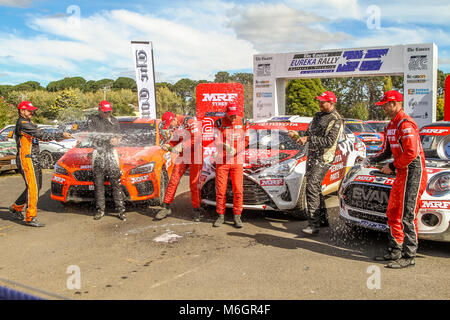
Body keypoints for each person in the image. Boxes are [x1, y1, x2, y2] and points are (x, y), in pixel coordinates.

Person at [368, 90, 427, 269]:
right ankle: (396, 250)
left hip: (413, 172)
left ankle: (409, 256)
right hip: (402, 172)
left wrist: (392, 166)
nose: (384, 107)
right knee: (393, 212)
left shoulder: (405, 123)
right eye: (383, 105)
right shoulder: (391, 125)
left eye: (386, 104)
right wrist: (371, 159)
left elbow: (411, 152)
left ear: (395, 103)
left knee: (407, 214)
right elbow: (386, 150)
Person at [289, 91, 343, 235]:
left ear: (331, 103)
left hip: (324, 158)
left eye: (323, 102)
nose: (319, 104)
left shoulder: (336, 119)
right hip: (312, 155)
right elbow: (309, 134)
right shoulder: (318, 115)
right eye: (319, 101)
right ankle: (323, 219)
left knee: (311, 186)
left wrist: (309, 139)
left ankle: (313, 225)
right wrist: (298, 137)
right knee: (316, 187)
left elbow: (329, 142)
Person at [9, 101, 72, 227]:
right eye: (29, 110)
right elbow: (41, 135)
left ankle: (16, 207)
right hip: (27, 159)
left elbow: (42, 134)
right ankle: (30, 216)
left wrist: (58, 137)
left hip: (34, 158)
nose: (32, 112)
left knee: (36, 186)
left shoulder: (29, 123)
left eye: (32, 110)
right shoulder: (23, 123)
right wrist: (60, 134)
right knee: (33, 187)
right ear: (22, 111)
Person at [155, 111, 204, 221]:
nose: (170, 127)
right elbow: (175, 140)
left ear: (174, 119)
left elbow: (197, 138)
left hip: (195, 154)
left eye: (170, 125)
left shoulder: (189, 121)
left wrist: (182, 145)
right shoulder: (176, 126)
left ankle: (197, 210)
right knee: (173, 179)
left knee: (194, 183)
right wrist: (169, 145)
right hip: (183, 155)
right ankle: (166, 207)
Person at [87, 100, 126, 221]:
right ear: (99, 110)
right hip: (98, 152)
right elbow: (94, 135)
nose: (107, 114)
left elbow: (119, 135)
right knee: (98, 183)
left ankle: (120, 210)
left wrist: (117, 140)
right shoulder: (93, 120)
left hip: (111, 152)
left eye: (109, 111)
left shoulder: (114, 120)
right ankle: (100, 210)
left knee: (116, 182)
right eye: (105, 112)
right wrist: (110, 138)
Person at [212, 103, 248, 228]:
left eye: (235, 115)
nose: (233, 118)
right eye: (231, 115)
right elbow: (216, 141)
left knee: (238, 190)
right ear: (226, 113)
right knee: (221, 191)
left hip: (237, 161)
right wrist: (224, 146)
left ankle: (237, 216)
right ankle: (220, 215)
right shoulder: (218, 123)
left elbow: (246, 140)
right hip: (222, 162)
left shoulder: (243, 121)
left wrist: (236, 150)